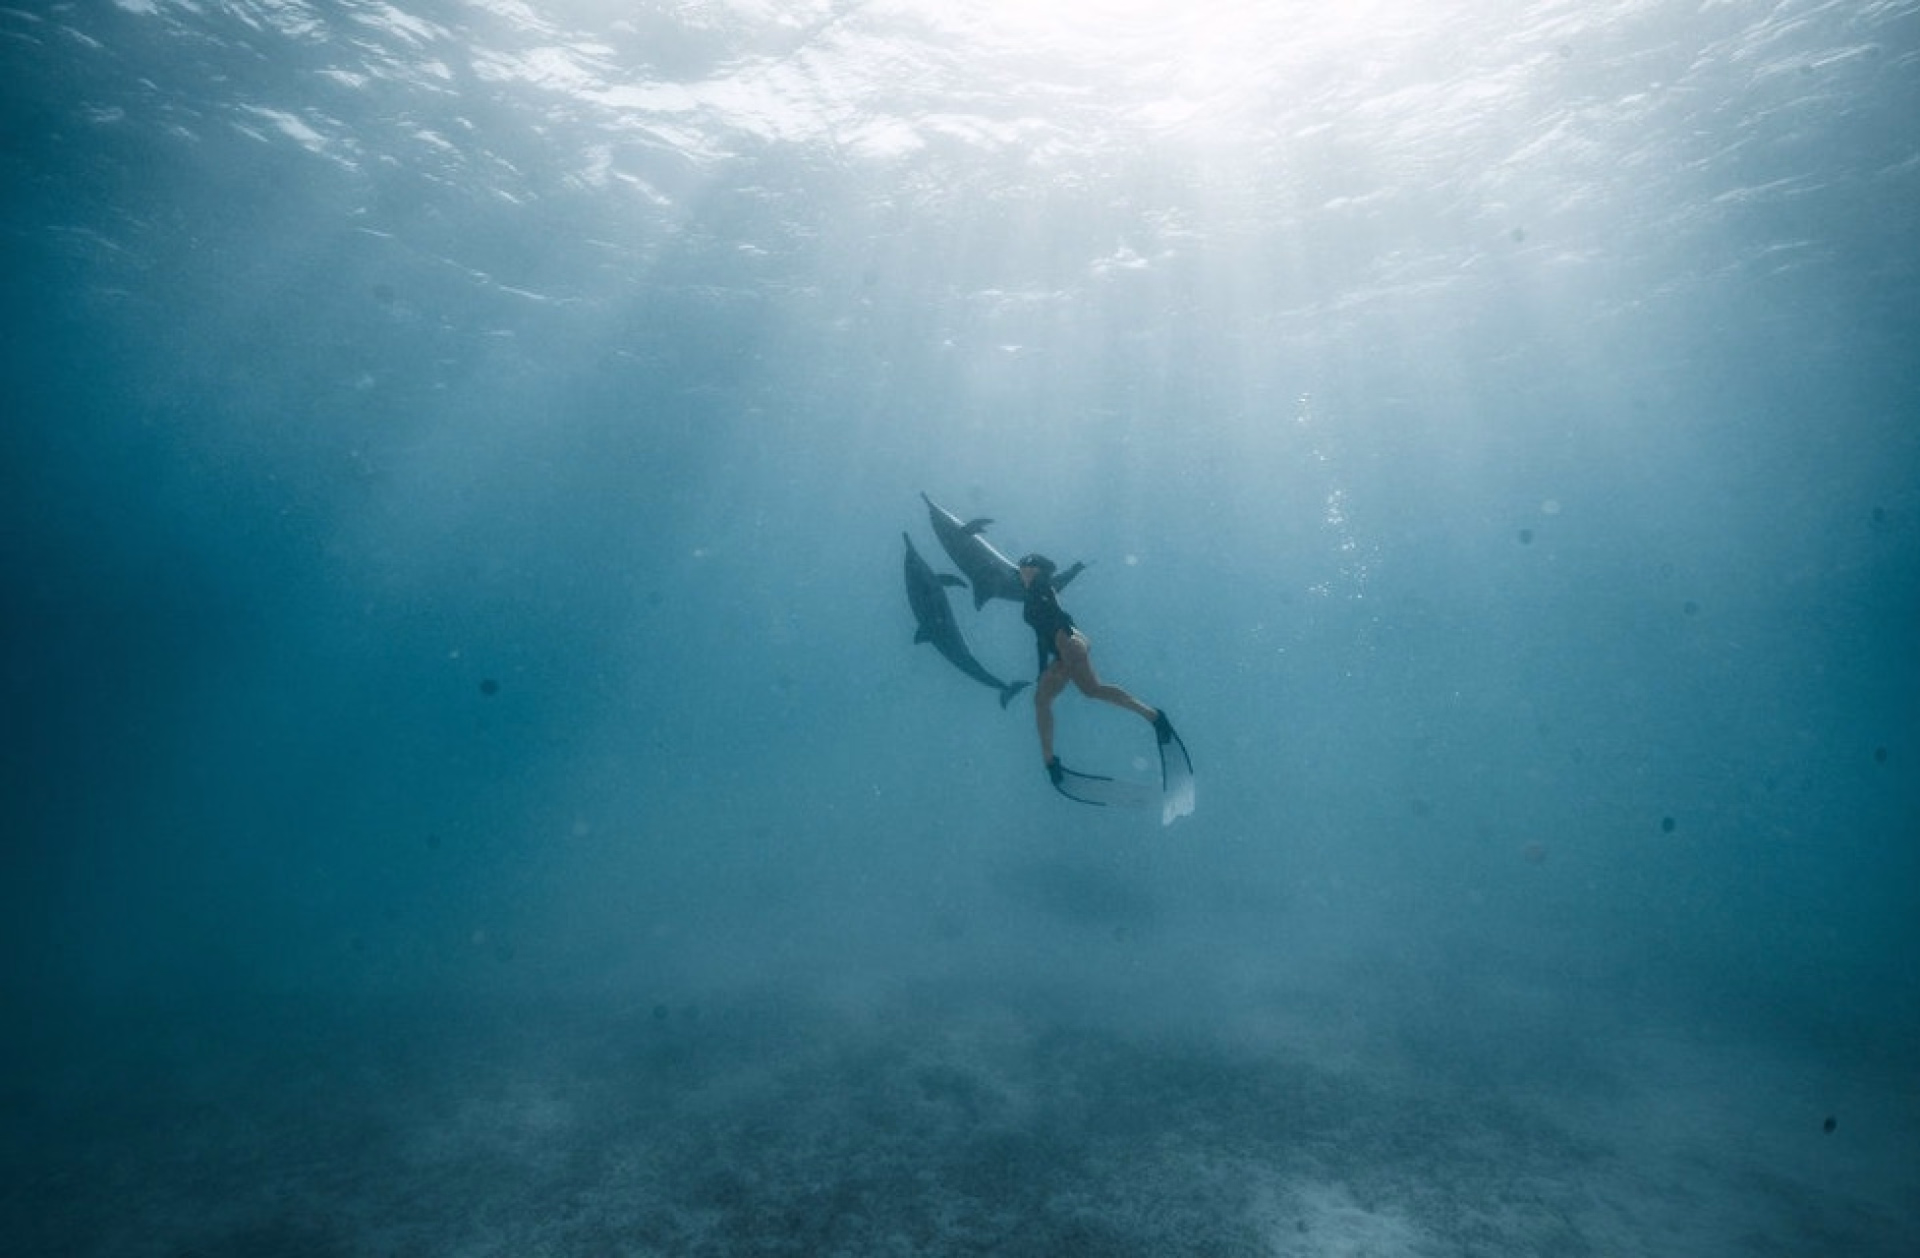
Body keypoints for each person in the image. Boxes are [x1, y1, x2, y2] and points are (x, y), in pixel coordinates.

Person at [1016, 552, 1176, 786]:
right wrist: (1041, 671)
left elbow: (1053, 606)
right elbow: (1040, 638)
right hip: (1065, 649)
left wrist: (1068, 572)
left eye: (1024, 567)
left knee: (1076, 693)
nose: (1020, 570)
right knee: (1059, 696)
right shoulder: (1032, 594)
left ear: (1035, 569)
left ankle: (1155, 718)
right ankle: (1051, 763)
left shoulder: (1040, 586)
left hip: (1069, 643)